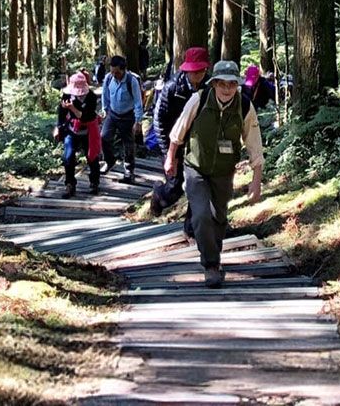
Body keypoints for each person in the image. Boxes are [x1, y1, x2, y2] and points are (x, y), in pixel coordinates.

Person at [165, 59, 265, 287]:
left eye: (231, 84)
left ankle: (215, 260)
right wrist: (170, 158)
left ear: (237, 85)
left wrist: (256, 181)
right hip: (195, 167)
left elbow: (254, 145)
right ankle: (210, 265)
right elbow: (178, 132)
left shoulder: (245, 107)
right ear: (214, 84)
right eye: (222, 84)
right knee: (200, 215)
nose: (227, 89)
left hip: (223, 171)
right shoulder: (198, 100)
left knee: (219, 218)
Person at [146, 47, 209, 215]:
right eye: (194, 71)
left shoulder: (209, 87)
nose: (198, 75)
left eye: (201, 71)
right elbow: (159, 120)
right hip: (172, 141)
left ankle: (192, 228)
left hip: (197, 144)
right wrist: (169, 154)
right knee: (175, 186)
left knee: (198, 185)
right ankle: (159, 196)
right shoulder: (172, 88)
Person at [53, 71, 101, 198]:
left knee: (92, 156)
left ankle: (94, 182)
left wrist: (72, 108)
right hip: (71, 129)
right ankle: (70, 184)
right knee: (68, 157)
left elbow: (86, 117)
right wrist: (58, 127)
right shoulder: (67, 94)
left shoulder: (91, 97)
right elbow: (61, 112)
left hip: (88, 130)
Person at [100, 54, 144, 181]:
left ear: (124, 70)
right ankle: (109, 161)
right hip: (112, 114)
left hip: (128, 115)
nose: (115, 75)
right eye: (112, 72)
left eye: (117, 72)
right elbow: (105, 95)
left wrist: (138, 121)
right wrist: (105, 109)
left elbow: (138, 102)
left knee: (128, 144)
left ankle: (129, 171)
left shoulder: (132, 81)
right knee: (104, 137)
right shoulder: (108, 79)